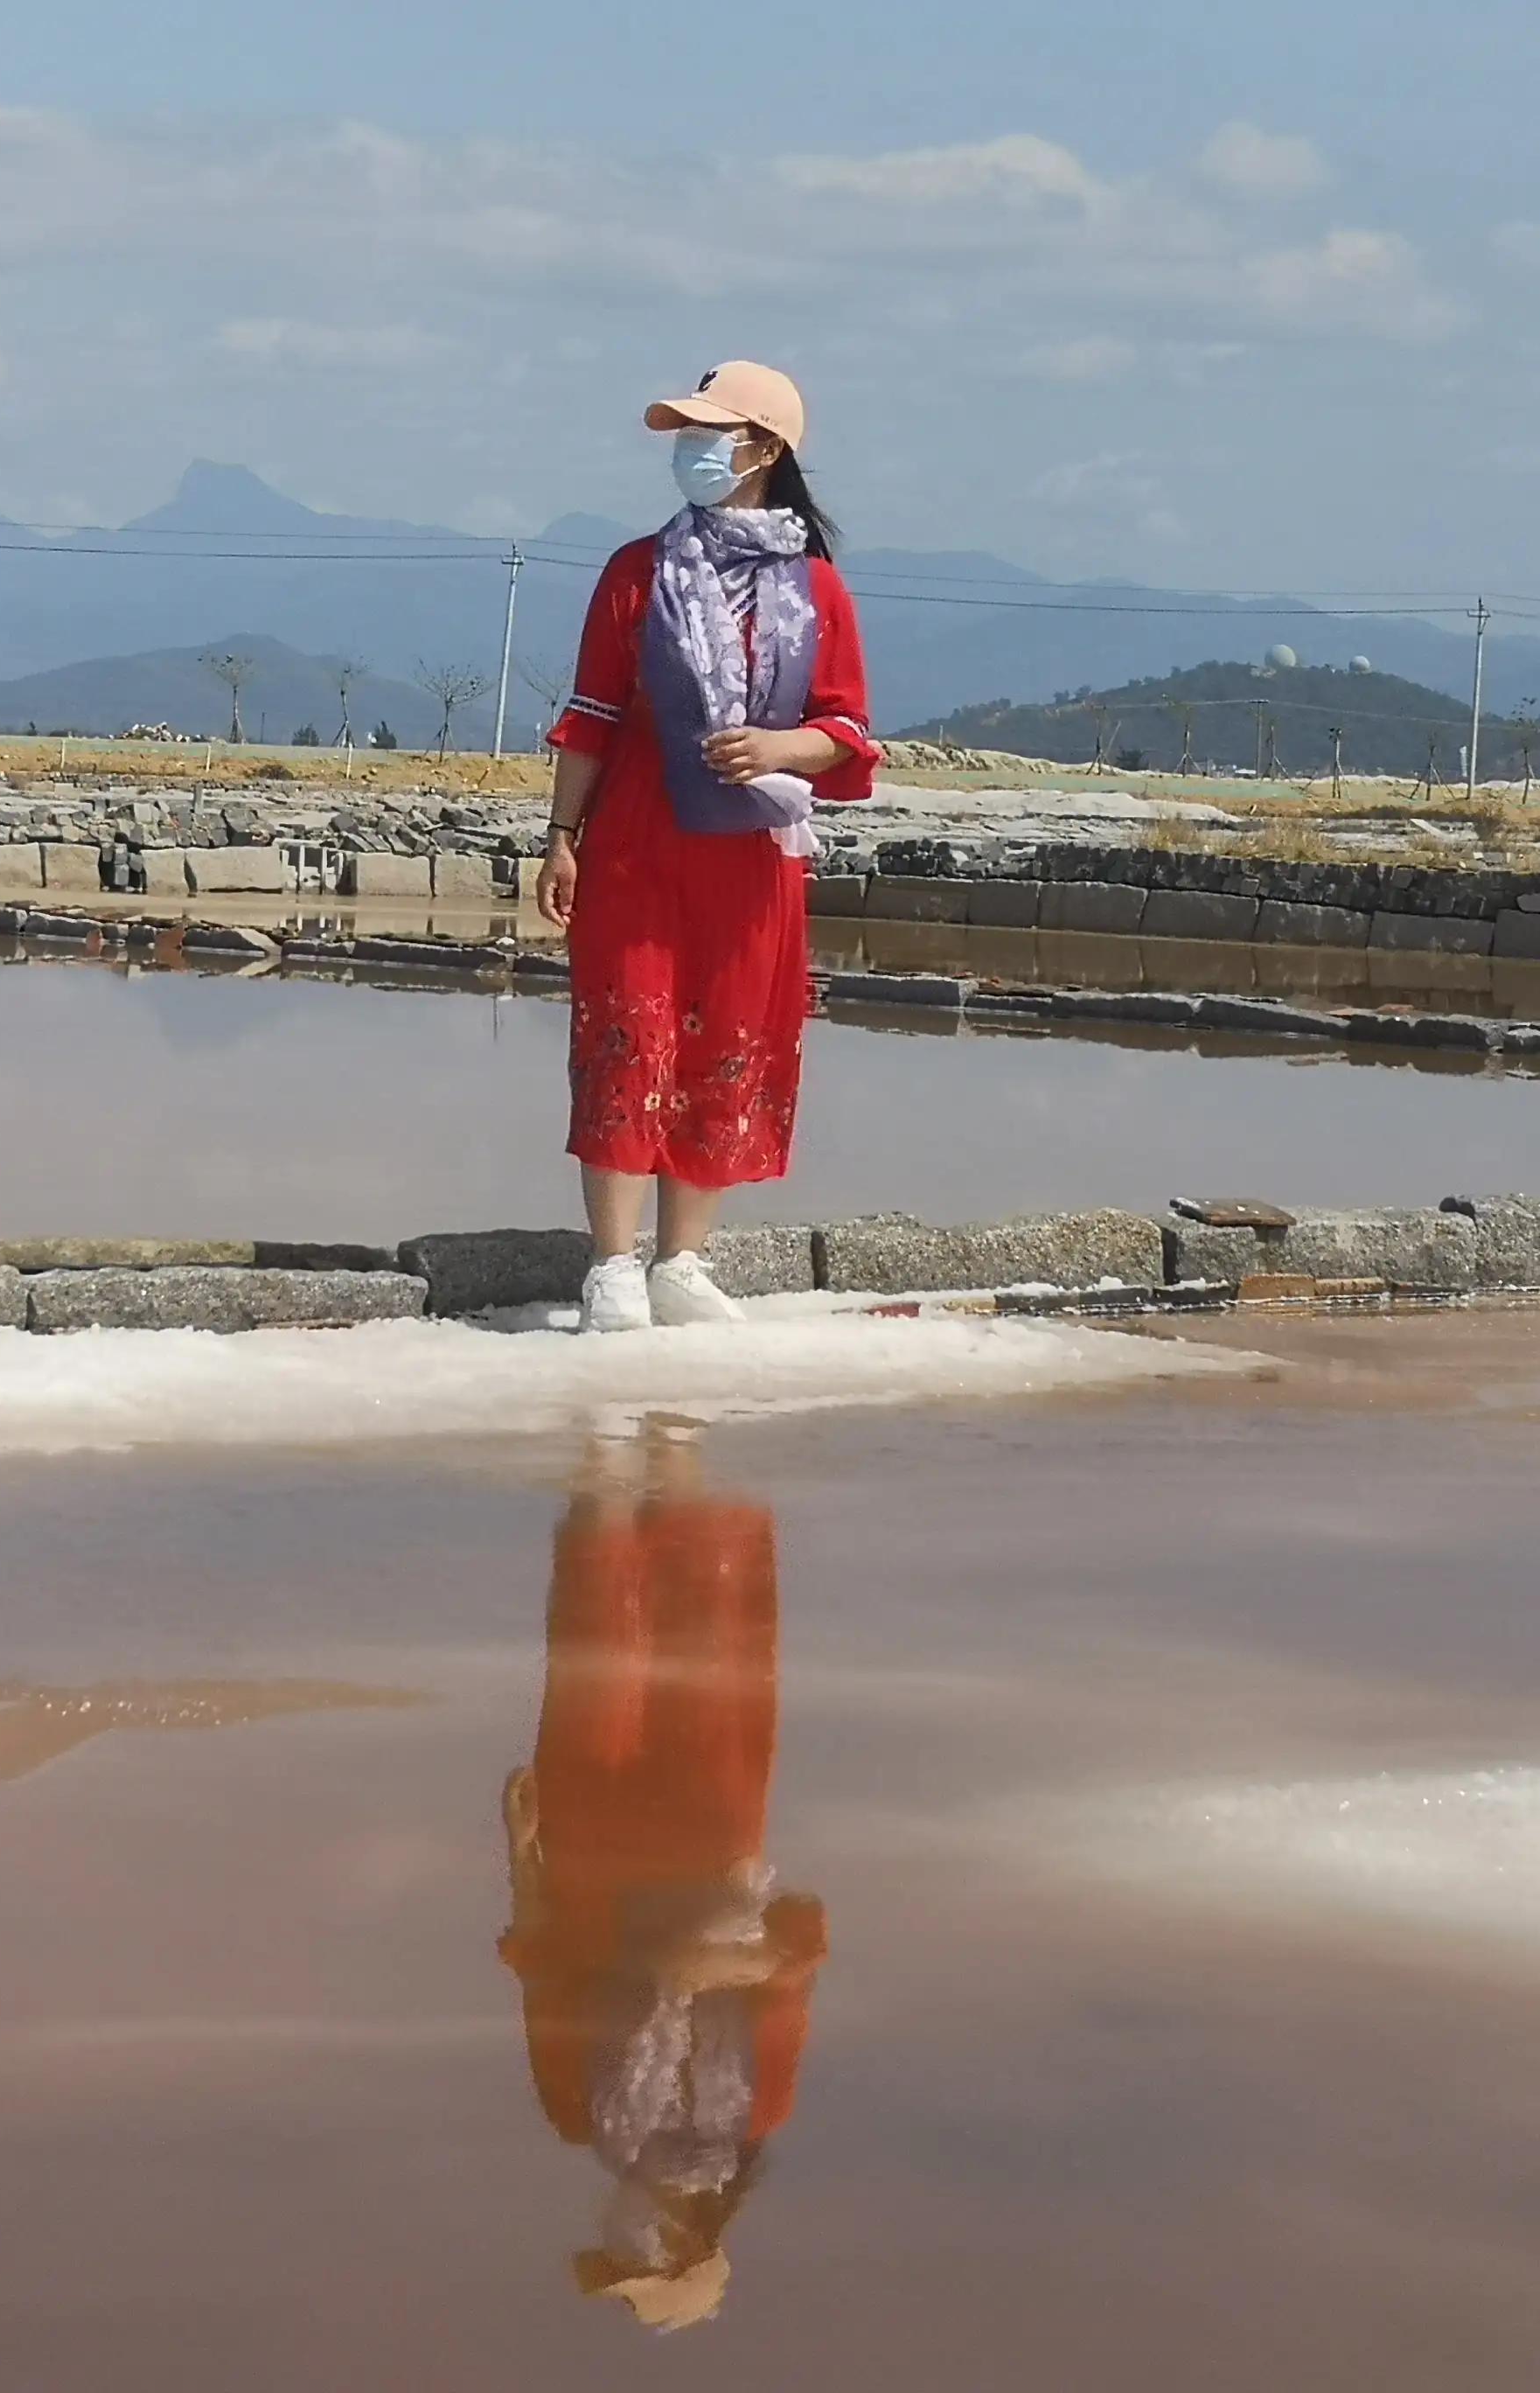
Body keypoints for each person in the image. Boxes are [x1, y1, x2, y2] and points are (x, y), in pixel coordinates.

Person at [538, 361, 881, 1333]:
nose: (693, 450)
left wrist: (778, 746)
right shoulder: (636, 573)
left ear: (764, 450)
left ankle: (682, 1261)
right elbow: (592, 715)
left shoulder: (817, 590)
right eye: (687, 433)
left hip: (749, 859)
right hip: (636, 844)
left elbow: (849, 731)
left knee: (727, 1034)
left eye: (712, 433)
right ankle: (611, 1264)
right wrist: (562, 836)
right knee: (626, 1029)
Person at [498, 1426, 827, 2334]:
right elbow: (799, 1950)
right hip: (708, 1843)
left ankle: (605, 1449)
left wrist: (522, 1848)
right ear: (682, 2240)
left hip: (593, 1859)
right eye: (629, 2257)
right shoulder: (763, 2106)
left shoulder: (579, 2116)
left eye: (608, 2255)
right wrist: (698, 1971)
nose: (613, 2237)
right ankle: (677, 1435)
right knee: (710, 1642)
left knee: (599, 1638)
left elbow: (543, 1972)